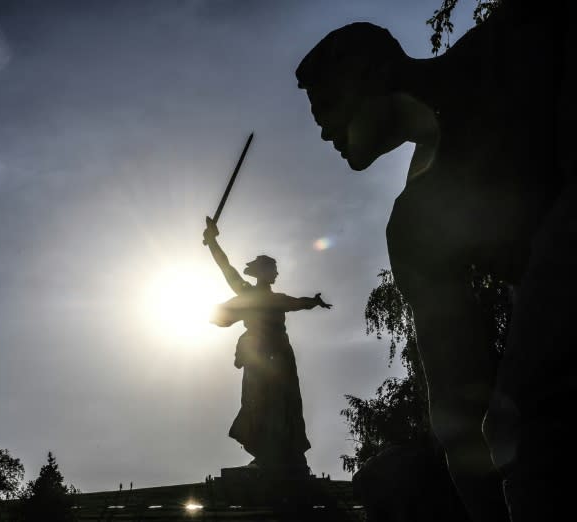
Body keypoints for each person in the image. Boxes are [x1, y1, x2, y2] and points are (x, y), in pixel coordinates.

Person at [295, 2, 575, 521]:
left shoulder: (517, 44)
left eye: (330, 105)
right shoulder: (416, 225)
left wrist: (527, 385)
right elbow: (457, 404)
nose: (323, 131)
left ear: (375, 73)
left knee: (533, 405)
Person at [203, 216, 332, 475]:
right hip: (260, 355)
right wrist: (213, 242)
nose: (277, 273)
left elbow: (298, 302)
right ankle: (266, 454)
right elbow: (225, 266)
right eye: (273, 268)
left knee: (285, 402)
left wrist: (313, 302)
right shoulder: (248, 293)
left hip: (280, 356)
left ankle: (288, 454)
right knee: (259, 401)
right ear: (263, 272)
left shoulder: (276, 298)